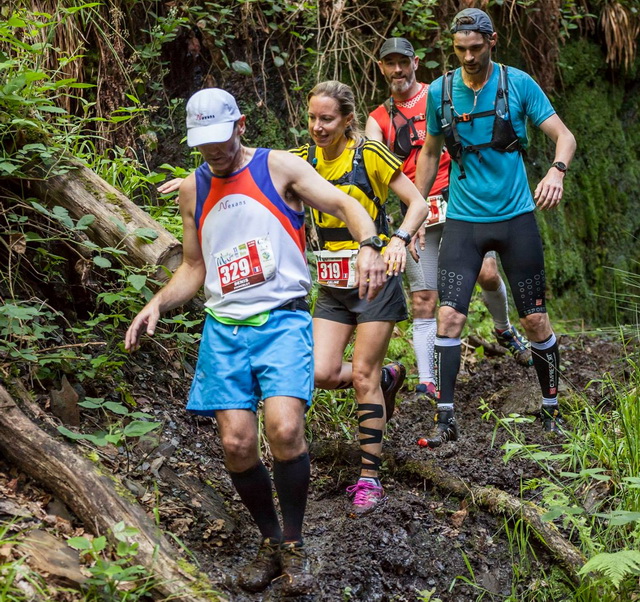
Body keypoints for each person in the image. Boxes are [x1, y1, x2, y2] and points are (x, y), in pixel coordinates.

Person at [125, 88, 389, 595]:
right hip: (224, 328)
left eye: (221, 139)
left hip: (282, 320)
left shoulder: (280, 168)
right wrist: (157, 302)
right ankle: (269, 542)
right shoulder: (193, 189)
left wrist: (370, 246)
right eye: (203, 143)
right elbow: (194, 267)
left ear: (241, 125)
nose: (213, 151)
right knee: (237, 444)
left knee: (285, 430)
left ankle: (295, 544)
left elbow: (346, 204)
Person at [414, 9, 577, 446]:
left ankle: (550, 408)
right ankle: (444, 419)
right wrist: (415, 210)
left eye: (476, 48)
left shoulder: (518, 83)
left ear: (492, 41)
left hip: (515, 218)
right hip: (463, 221)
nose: (468, 57)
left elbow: (564, 135)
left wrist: (556, 171)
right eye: (460, 49)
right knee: (448, 316)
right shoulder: (440, 91)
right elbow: (430, 154)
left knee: (536, 320)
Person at [366, 37, 532, 402]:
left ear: (416, 62)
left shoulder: (442, 92)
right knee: (424, 297)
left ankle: (504, 330)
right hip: (418, 211)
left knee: (489, 273)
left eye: (403, 62)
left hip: (462, 202)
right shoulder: (378, 120)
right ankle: (428, 381)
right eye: (389, 63)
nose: (397, 70)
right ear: (381, 67)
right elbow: (373, 169)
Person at [290, 80, 428, 516]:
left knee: (361, 376)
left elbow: (418, 203)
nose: (317, 126)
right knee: (322, 371)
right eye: (312, 117)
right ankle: (388, 378)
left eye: (326, 118)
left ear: (348, 119)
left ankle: (369, 478)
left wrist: (398, 240)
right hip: (333, 282)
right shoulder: (302, 160)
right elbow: (252, 177)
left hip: (375, 279)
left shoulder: (368, 153)